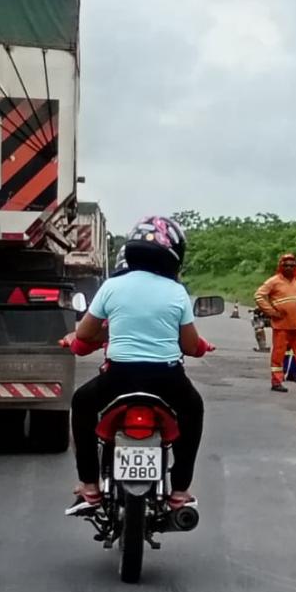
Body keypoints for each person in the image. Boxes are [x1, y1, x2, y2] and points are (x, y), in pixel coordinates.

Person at [67, 215, 211, 510]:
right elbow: (189, 344)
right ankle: (180, 491)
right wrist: (200, 348)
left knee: (82, 402)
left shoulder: (112, 286)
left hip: (119, 377)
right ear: (175, 253)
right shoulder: (177, 292)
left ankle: (90, 486)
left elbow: (85, 333)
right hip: (167, 379)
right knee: (193, 409)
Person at [255, 253, 296, 393]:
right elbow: (259, 296)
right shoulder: (274, 281)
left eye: (292, 265)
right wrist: (271, 312)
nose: (289, 268)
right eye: (286, 265)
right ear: (281, 266)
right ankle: (277, 381)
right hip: (281, 327)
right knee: (278, 355)